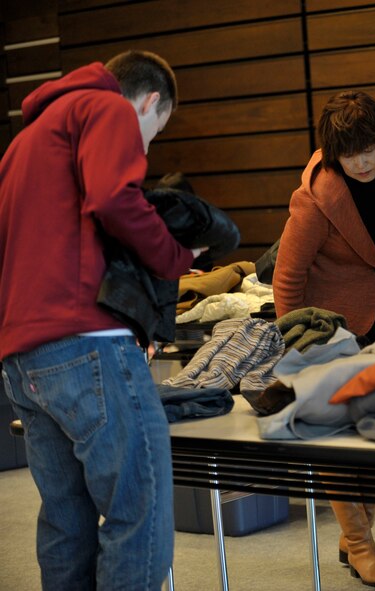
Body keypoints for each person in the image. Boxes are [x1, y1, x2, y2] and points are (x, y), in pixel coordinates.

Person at [0, 50, 200, 590]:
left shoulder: (24, 144)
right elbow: (115, 198)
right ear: (150, 101)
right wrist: (176, 259)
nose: (146, 147)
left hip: (22, 360)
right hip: (87, 342)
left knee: (67, 525)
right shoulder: (107, 110)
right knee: (143, 509)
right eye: (153, 134)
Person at [272, 90, 375, 588]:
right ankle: (359, 544)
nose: (361, 161)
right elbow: (287, 278)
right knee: (337, 434)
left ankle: (360, 535)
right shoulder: (315, 199)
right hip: (326, 330)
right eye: (349, 152)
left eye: (369, 148)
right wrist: (298, 342)